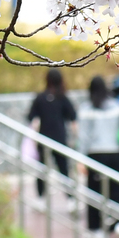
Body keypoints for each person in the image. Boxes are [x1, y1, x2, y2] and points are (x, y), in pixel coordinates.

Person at [76, 77, 119, 232]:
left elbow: (82, 137)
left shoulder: (85, 109)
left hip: (95, 155)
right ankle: (118, 224)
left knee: (94, 192)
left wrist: (80, 159)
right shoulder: (117, 107)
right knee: (117, 191)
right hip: (115, 153)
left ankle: (95, 228)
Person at [27, 69, 77, 198]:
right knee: (64, 169)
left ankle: (40, 197)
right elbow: (73, 117)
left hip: (43, 138)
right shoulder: (63, 97)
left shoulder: (40, 97)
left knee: (41, 169)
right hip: (60, 138)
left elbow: (31, 117)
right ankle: (70, 199)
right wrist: (75, 137)